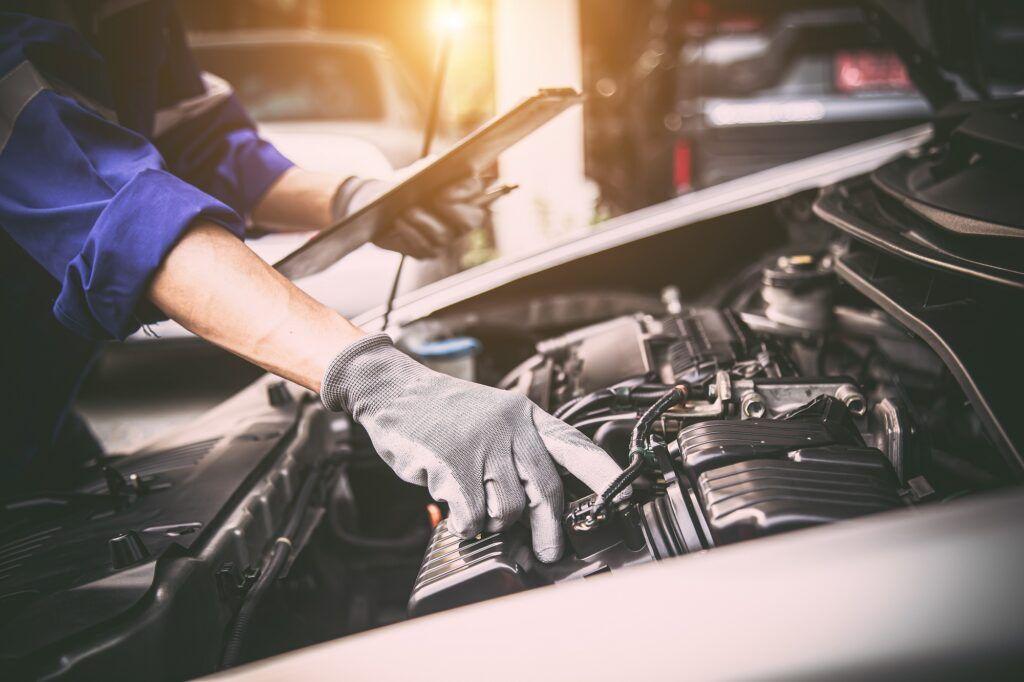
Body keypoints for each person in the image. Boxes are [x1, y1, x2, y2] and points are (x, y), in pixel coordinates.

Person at [0, 1, 624, 562]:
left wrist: (363, 199)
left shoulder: (133, 11)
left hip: (40, 412)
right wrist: (382, 382)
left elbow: (206, 147)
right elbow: (112, 204)